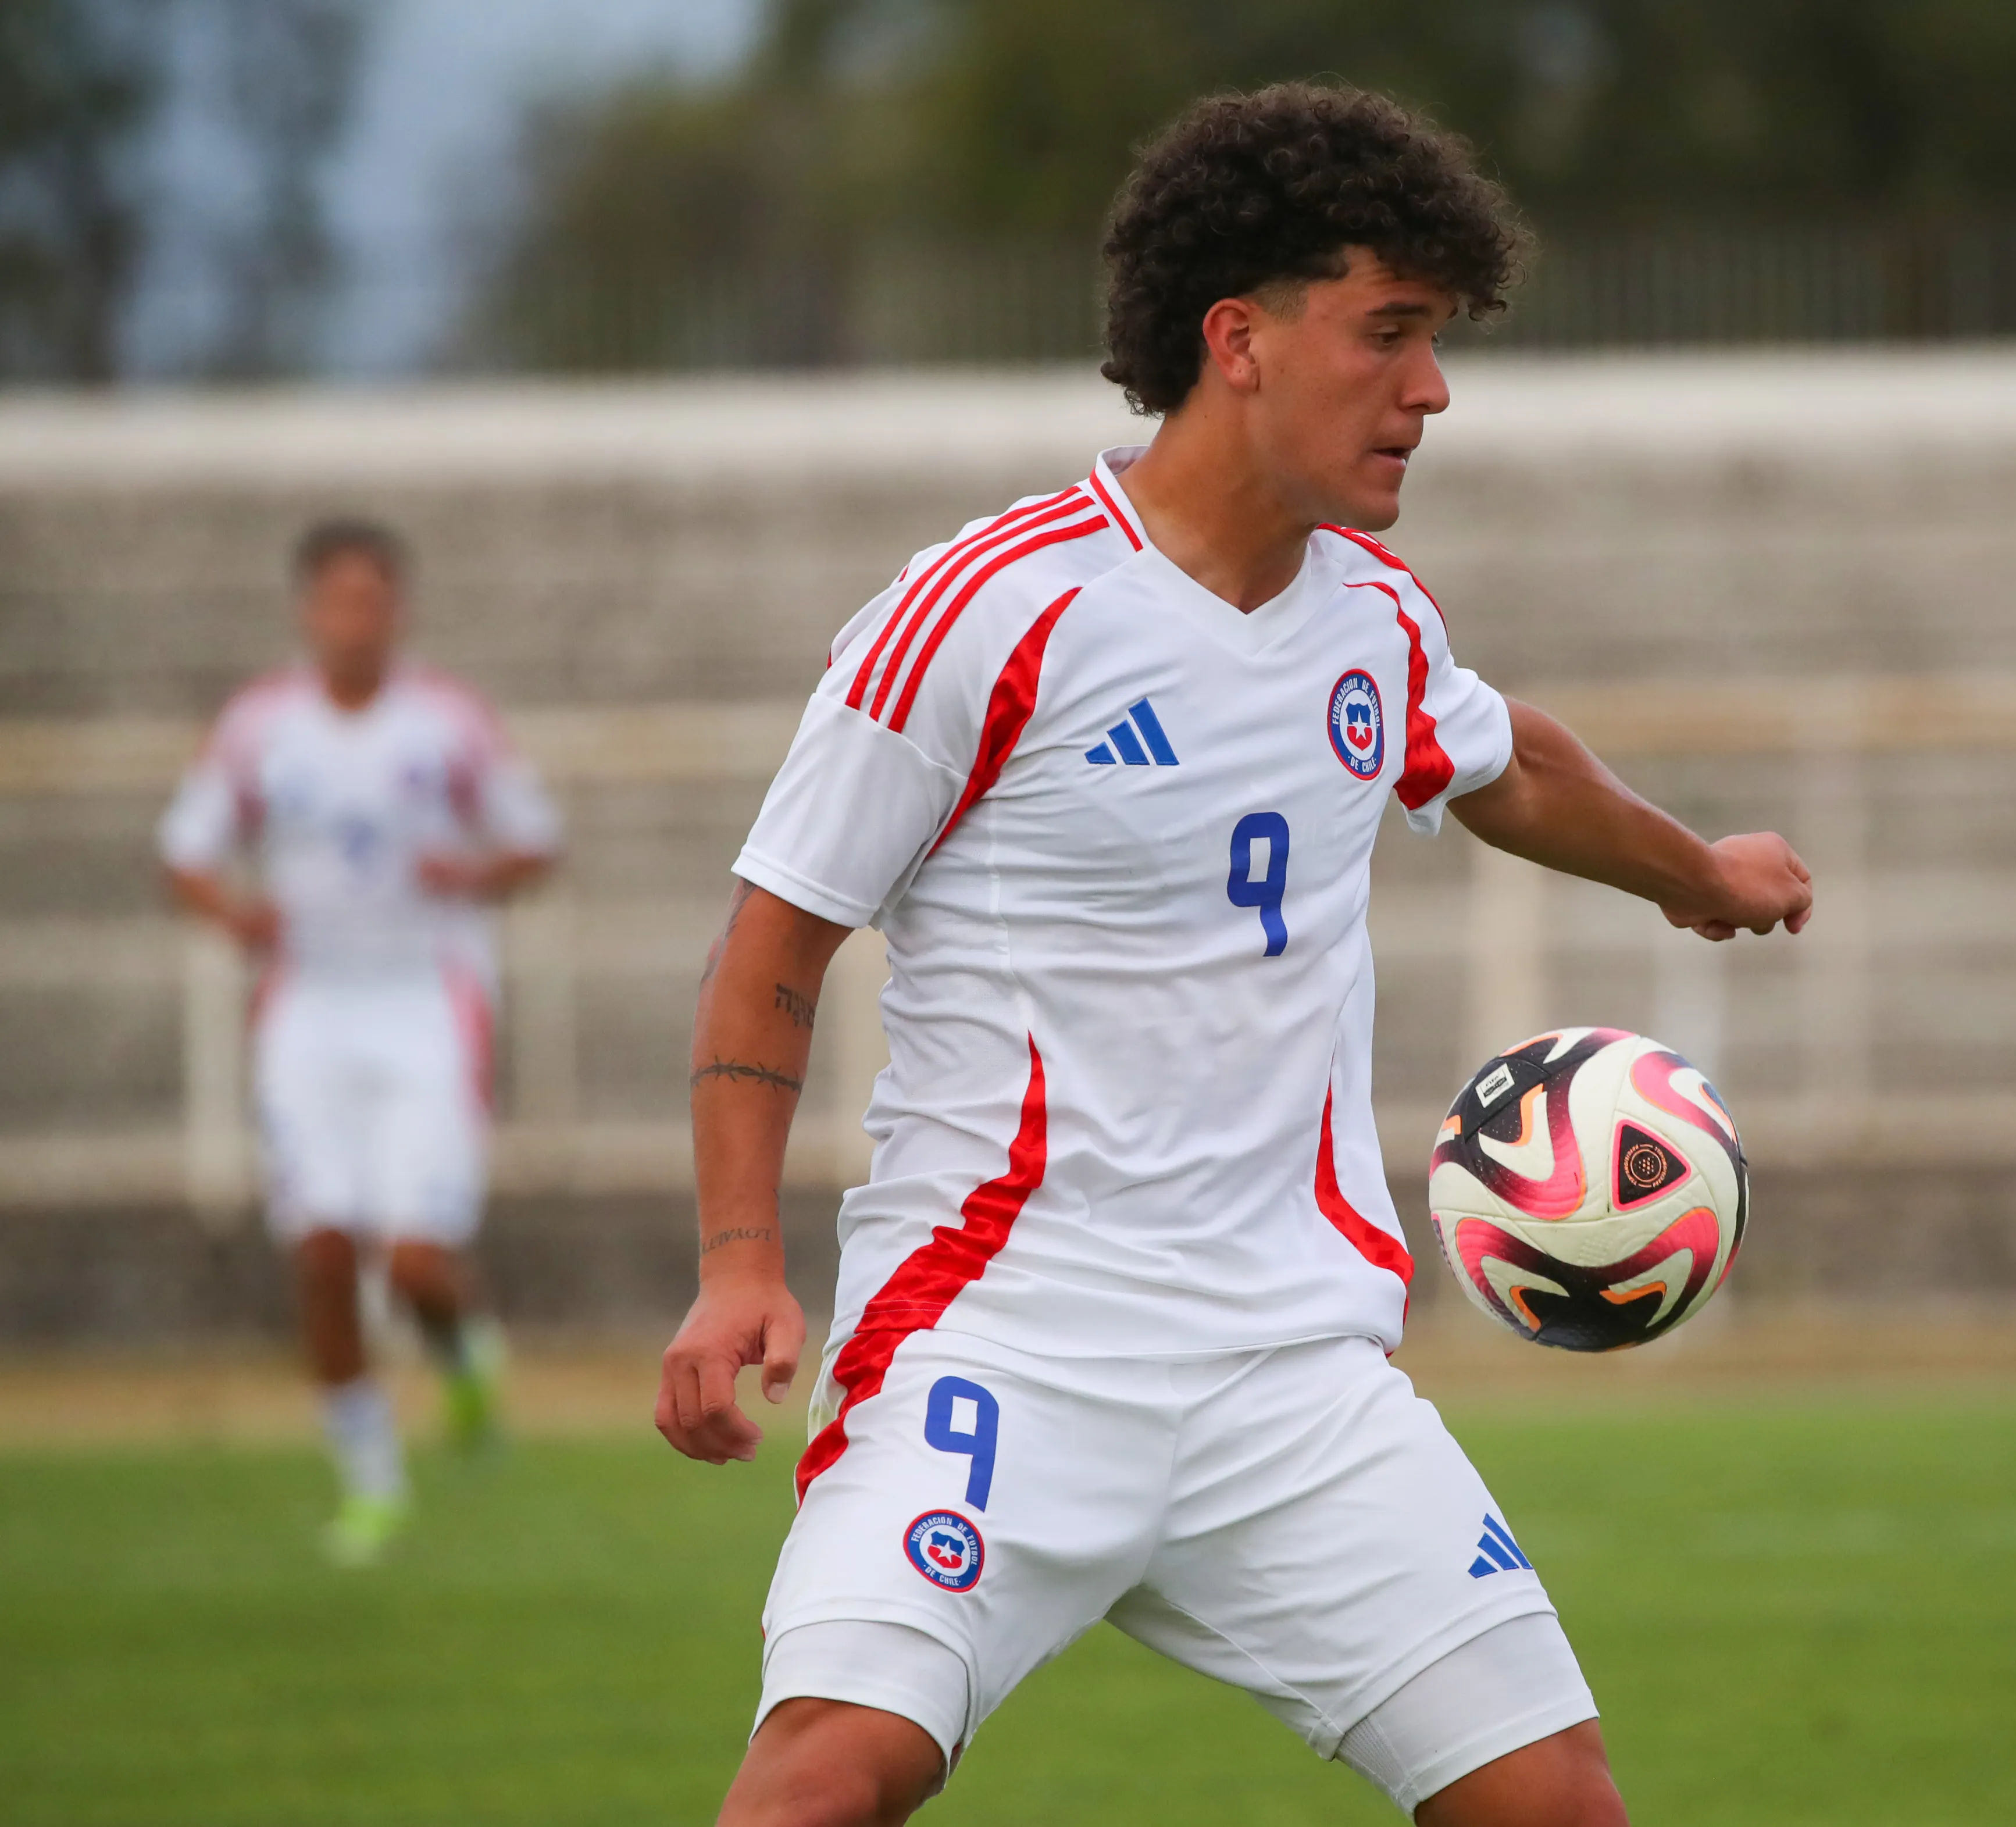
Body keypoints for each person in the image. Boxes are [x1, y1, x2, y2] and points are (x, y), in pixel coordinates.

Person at [656, 84, 1811, 1826]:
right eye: (1392, 331)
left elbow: (1512, 767)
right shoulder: (990, 609)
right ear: (1239, 339)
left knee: (1558, 1807)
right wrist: (739, 1258)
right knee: (822, 1785)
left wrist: (1695, 872)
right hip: (1007, 1344)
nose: (1431, 389)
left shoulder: (1377, 618)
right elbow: (773, 946)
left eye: (1437, 338)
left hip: (1293, 1374)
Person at [160, 519, 561, 1564]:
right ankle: (371, 1482)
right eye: (337, 602)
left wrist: (472, 877)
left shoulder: (448, 724)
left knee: (417, 1259)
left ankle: (461, 1346)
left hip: (426, 1002)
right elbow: (187, 852)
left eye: (373, 602)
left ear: (400, 611)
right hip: (308, 1008)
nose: (356, 621)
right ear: (308, 612)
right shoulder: (260, 727)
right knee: (324, 1247)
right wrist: (232, 912)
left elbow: (534, 843)